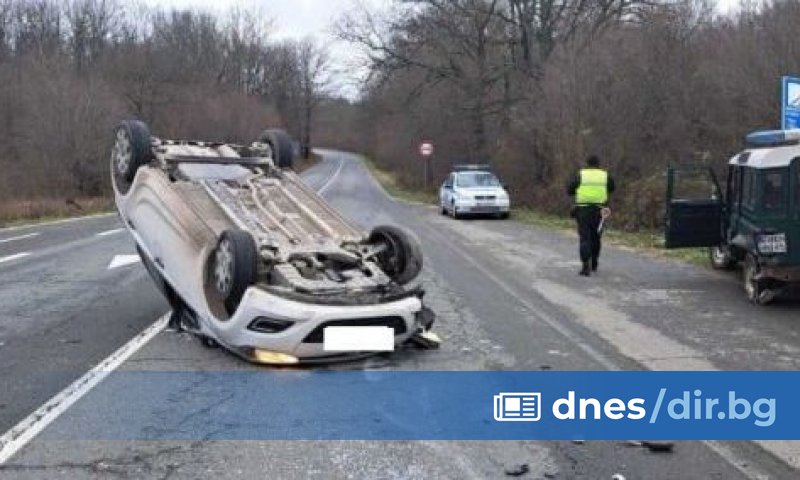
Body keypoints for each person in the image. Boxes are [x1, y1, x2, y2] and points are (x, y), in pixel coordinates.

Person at [567, 155, 615, 276]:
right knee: (596, 237)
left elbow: (569, 190)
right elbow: (612, 188)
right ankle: (594, 262)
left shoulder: (581, 175)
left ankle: (585, 266)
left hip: (583, 210)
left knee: (585, 238)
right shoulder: (604, 175)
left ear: (587, 163)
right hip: (600, 210)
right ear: (598, 164)